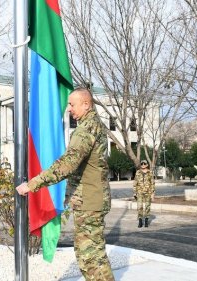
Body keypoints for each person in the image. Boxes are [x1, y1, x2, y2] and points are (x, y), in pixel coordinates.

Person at [16, 87, 114, 281]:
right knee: (95, 255)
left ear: (86, 104)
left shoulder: (85, 129)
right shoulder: (95, 124)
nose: (69, 109)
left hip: (89, 201)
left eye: (72, 104)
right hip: (93, 199)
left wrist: (33, 184)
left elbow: (68, 164)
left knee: (90, 259)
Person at [134, 160, 155, 228]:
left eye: (144, 163)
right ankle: (140, 221)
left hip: (148, 192)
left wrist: (152, 193)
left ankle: (146, 220)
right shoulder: (138, 172)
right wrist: (134, 192)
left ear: (147, 165)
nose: (143, 164)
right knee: (139, 207)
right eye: (142, 163)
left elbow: (152, 183)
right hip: (139, 192)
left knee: (147, 207)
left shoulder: (150, 173)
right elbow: (135, 183)